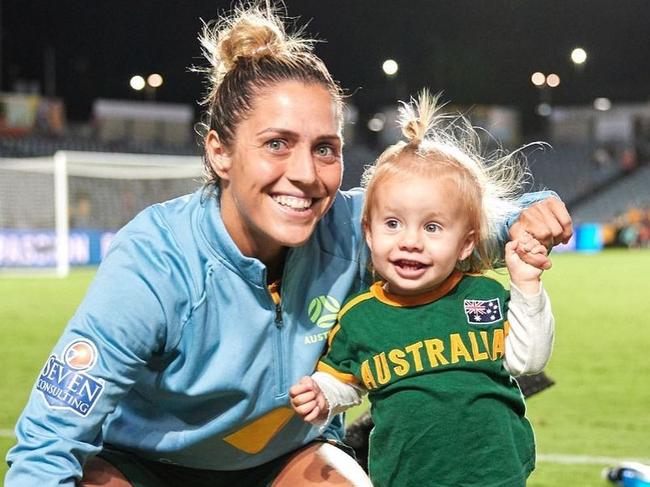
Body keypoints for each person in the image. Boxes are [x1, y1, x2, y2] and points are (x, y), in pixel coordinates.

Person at [5, 5, 571, 487]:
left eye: (325, 148)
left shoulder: (355, 230)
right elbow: (49, 439)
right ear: (219, 153)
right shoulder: (154, 261)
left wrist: (531, 214)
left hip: (288, 460)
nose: (305, 173)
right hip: (145, 466)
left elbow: (476, 227)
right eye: (277, 144)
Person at [290, 92, 555, 486]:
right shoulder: (359, 316)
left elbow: (527, 362)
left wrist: (527, 285)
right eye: (393, 224)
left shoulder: (480, 296)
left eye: (432, 228)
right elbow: (346, 379)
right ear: (368, 232)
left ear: (466, 243)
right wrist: (323, 394)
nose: (410, 241)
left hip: (494, 475)